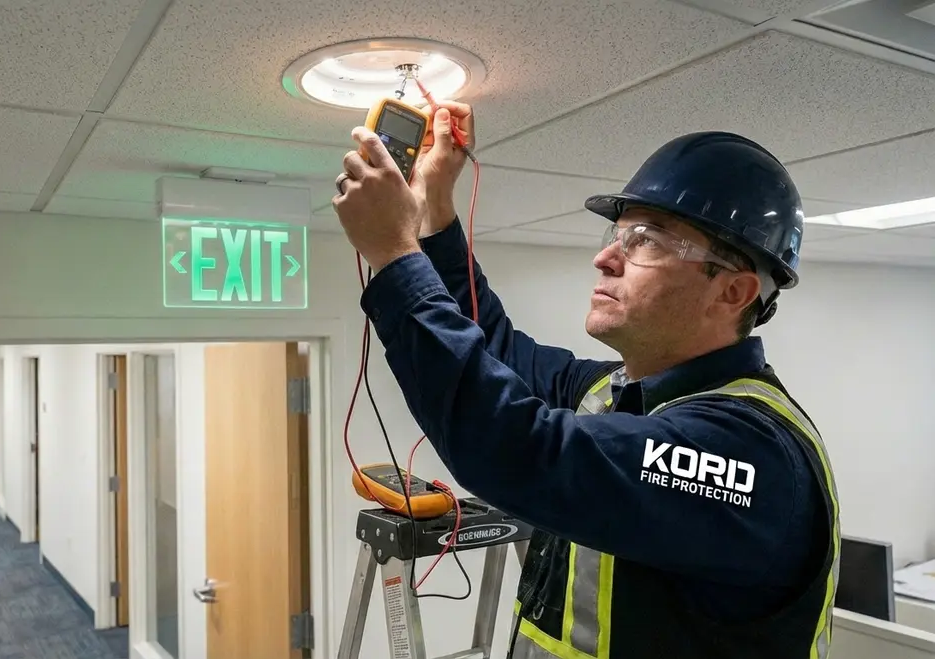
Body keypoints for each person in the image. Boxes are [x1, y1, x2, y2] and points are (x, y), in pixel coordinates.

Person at [331, 104, 840, 658]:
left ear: (733, 292)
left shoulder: (750, 451)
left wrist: (394, 257)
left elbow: (515, 447)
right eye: (616, 233)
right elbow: (493, 347)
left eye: (647, 240)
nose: (605, 257)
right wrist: (433, 208)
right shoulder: (616, 394)